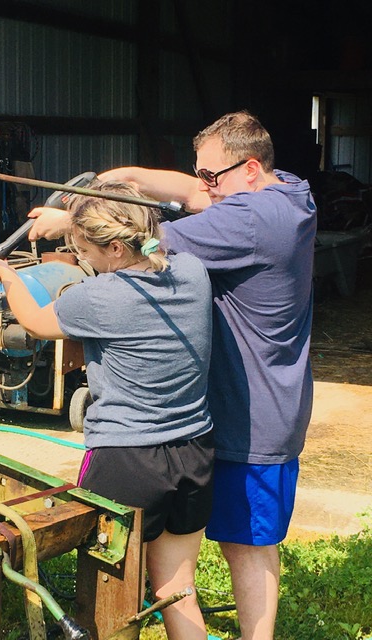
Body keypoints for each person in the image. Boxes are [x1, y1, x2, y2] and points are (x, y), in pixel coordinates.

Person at [96, 111, 317, 640]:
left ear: (250, 169)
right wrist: (124, 178)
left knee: (247, 544)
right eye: (203, 175)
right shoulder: (290, 192)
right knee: (240, 540)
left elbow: (153, 247)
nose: (204, 187)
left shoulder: (250, 220)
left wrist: (81, 230)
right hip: (264, 403)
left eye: (213, 176)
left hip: (254, 414)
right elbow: (194, 194)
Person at [0, 181, 215, 640]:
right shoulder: (192, 271)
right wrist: (75, 221)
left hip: (127, 461)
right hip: (194, 453)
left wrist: (9, 279)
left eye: (82, 247)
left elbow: (34, 322)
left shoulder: (99, 297)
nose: (80, 255)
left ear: (112, 246)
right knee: (178, 586)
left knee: (106, 600)